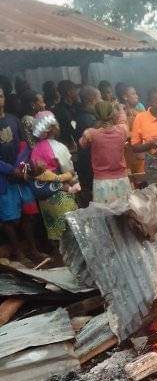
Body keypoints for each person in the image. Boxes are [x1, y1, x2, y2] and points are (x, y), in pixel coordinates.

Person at [0, 86, 45, 263]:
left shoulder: (13, 119)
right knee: (9, 219)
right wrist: (11, 170)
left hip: (21, 177)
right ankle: (18, 252)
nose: (0, 99)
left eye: (1, 96)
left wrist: (22, 167)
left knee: (30, 214)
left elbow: (24, 146)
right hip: (4, 180)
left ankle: (33, 250)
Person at [30, 111, 80, 242]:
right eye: (56, 123)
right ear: (51, 127)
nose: (58, 126)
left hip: (45, 199)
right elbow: (70, 172)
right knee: (72, 232)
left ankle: (61, 256)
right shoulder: (58, 147)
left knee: (56, 233)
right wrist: (74, 184)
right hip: (61, 195)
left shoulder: (35, 149)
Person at [79, 101, 131, 204]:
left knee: (106, 216)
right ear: (112, 114)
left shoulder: (91, 133)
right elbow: (123, 121)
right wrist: (120, 109)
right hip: (122, 179)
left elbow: (81, 144)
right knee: (124, 213)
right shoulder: (122, 130)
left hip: (102, 182)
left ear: (96, 115)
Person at [74, 86, 102, 206]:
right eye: (99, 97)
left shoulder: (85, 116)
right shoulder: (87, 119)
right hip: (90, 165)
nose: (101, 101)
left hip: (90, 164)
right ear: (92, 100)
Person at [120, 86, 146, 181]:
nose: (137, 96)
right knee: (130, 185)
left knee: (142, 183)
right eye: (133, 94)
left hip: (140, 154)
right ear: (125, 97)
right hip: (126, 155)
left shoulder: (140, 113)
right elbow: (123, 134)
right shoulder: (119, 114)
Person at [53, 80, 79, 149]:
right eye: (75, 90)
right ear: (69, 92)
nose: (77, 93)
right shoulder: (60, 110)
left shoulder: (76, 105)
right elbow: (71, 126)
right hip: (69, 145)